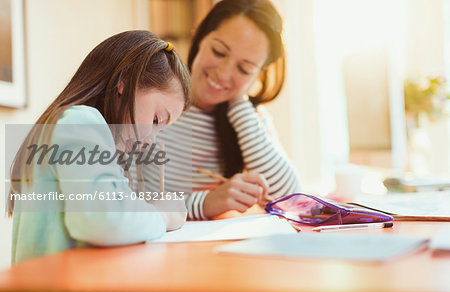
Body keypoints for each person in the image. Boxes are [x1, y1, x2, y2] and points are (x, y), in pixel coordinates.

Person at [8, 30, 191, 263]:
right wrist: (162, 215)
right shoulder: (81, 122)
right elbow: (103, 220)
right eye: (156, 120)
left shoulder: (80, 129)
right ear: (124, 82)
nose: (151, 141)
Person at [143, 0, 301, 220]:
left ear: (258, 75)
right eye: (218, 52)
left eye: (244, 68)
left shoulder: (249, 119)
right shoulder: (150, 102)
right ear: (200, 39)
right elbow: (127, 201)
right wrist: (205, 203)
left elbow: (289, 200)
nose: (224, 73)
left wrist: (238, 103)